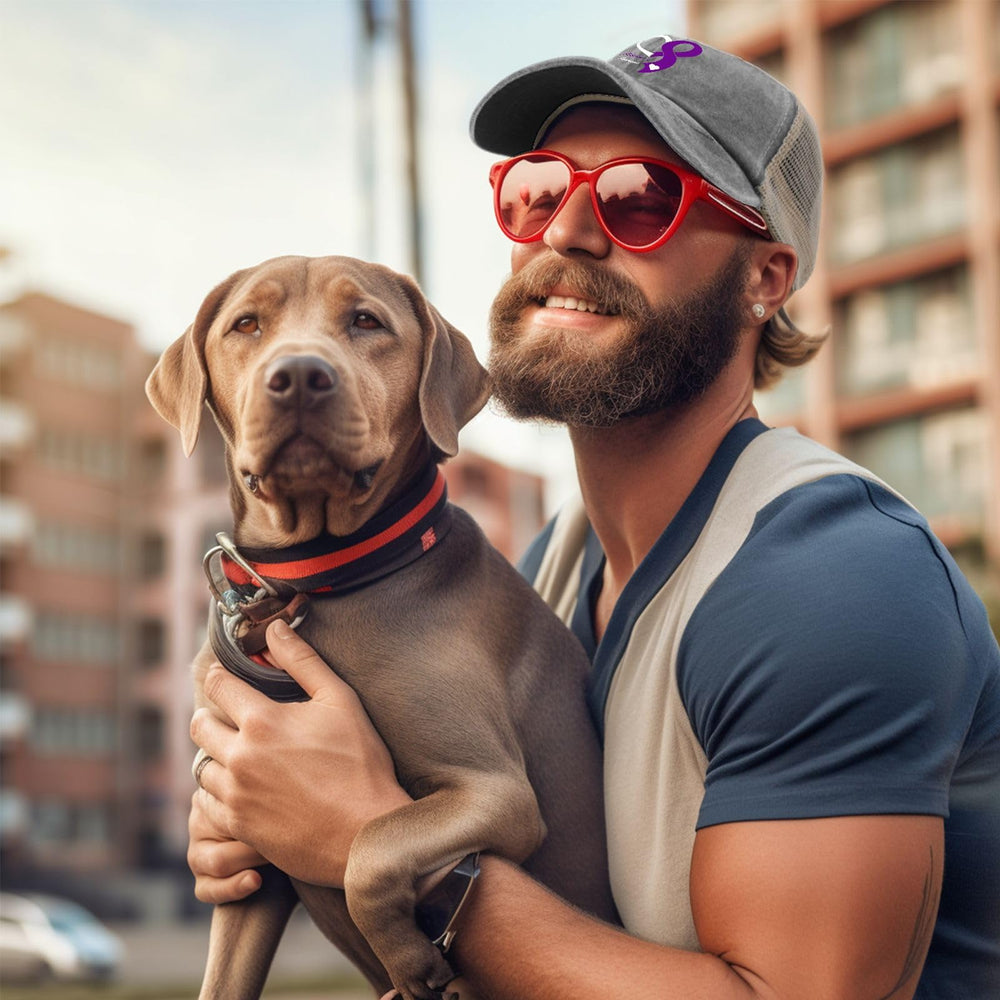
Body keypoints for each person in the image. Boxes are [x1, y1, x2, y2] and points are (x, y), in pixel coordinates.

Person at [188, 34, 1000, 999]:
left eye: (640, 200)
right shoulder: (549, 569)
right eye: (536, 190)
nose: (567, 230)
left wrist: (372, 837)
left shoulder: (833, 579)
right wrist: (269, 816)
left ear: (765, 278)